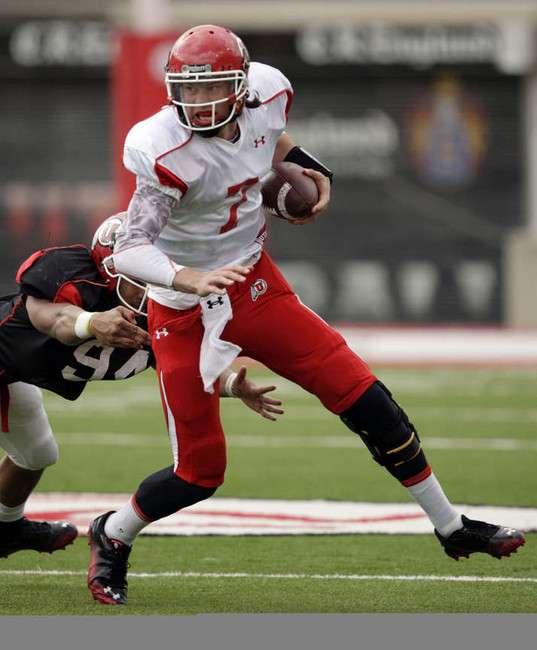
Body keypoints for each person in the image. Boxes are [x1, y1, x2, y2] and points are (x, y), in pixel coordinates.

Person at [87, 24, 524, 606]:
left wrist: (308, 167)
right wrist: (188, 277)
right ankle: (113, 533)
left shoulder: (269, 94)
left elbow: (271, 142)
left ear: (242, 88)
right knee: (199, 473)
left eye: (211, 88)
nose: (196, 102)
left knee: (363, 394)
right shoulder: (163, 146)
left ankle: (451, 526)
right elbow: (131, 247)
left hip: (252, 280)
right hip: (183, 305)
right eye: (186, 91)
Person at [0, 213, 283, 559]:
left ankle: (5, 528)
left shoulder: (158, 313)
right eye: (142, 272)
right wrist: (91, 322)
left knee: (37, 454)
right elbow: (55, 318)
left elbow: (174, 362)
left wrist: (229, 384)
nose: (153, 283)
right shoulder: (72, 276)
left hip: (14, 374)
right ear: (112, 265)